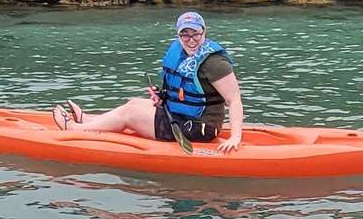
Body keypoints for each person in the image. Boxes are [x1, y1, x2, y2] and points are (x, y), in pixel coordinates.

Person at [53, 11, 244, 153]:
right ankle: (88, 120)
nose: (191, 40)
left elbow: (234, 100)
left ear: (204, 32)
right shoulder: (181, 53)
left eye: (195, 34)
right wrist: (162, 96)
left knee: (132, 113)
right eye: (185, 35)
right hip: (181, 117)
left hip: (199, 128)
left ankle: (76, 130)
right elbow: (183, 91)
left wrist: (235, 137)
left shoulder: (215, 62)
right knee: (134, 103)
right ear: (178, 35)